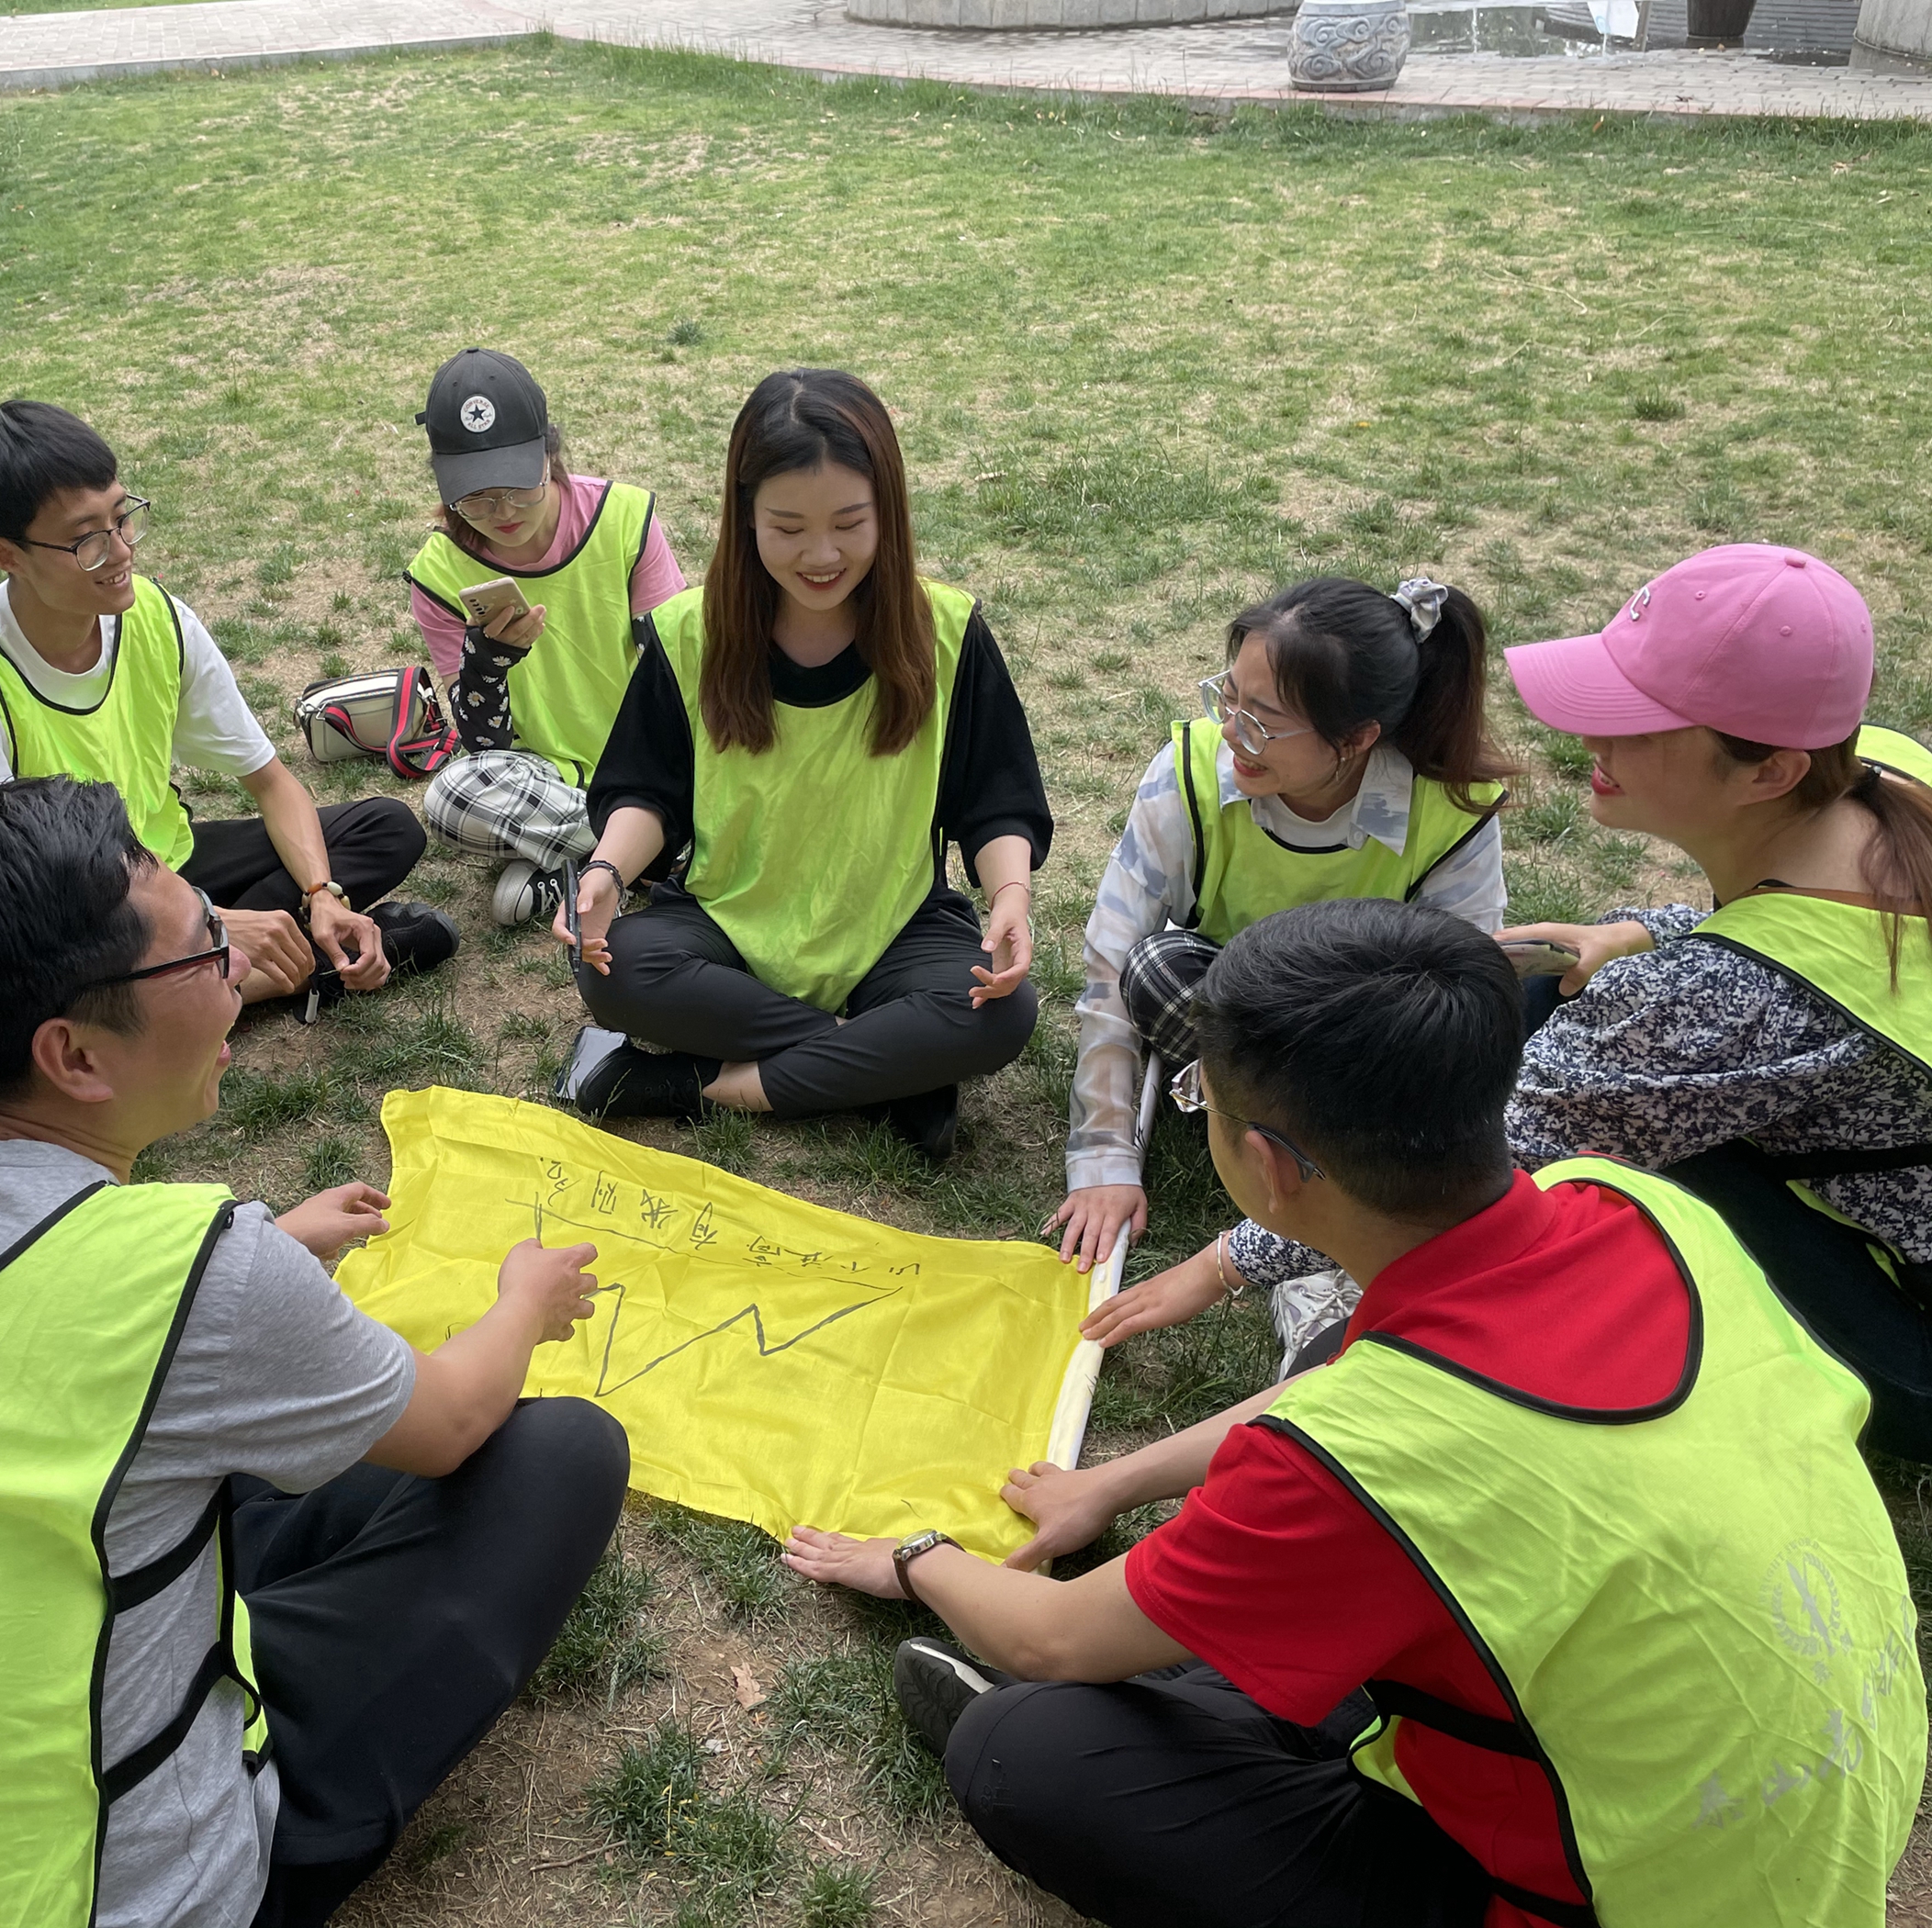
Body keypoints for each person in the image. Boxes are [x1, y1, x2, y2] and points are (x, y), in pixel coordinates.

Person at [784, 898, 1926, 1928]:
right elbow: (1346, 1389)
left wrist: (919, 1555)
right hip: (1791, 1817)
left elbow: (1050, 1636)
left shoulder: (1360, 1459)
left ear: (1272, 1167)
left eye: (1204, 1104)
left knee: (1020, 1749)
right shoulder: (1620, 1201)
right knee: (1299, 1549)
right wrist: (1110, 1484)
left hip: (1600, 1894)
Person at [0, 776, 628, 1928]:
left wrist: (273, 1256)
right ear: (74, 1056)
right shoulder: (192, 1267)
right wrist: (523, 1302)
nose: (239, 975)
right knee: (561, 1451)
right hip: (114, 1896)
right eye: (202, 957)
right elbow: (451, 1424)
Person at [1106, 546, 1932, 1459]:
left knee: (1513, 1211)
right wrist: (1649, 928)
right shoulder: (1883, 773)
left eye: (1639, 726)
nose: (1593, 742)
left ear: (1769, 771)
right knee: (1552, 997)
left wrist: (1222, 1265)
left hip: (1901, 1331)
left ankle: (1353, 1347)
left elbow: (1486, 1160)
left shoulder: (1725, 1004)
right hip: (1851, 1189)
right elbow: (1793, 922)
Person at [552, 369, 1050, 1163]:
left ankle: (689, 1086)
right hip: (728, 923)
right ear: (744, 516)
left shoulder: (947, 631)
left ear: (888, 511)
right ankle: (891, 1072)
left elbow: (997, 801)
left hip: (894, 928)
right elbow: (646, 791)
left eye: (851, 523)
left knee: (1000, 1010)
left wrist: (1011, 896)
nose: (822, 555)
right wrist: (607, 870)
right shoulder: (688, 634)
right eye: (787, 528)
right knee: (613, 970)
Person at [0, 398, 455, 1013]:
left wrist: (321, 894)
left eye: (123, 517)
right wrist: (210, 923)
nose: (120, 552)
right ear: (8, 554)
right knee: (30, 991)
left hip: (164, 867)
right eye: (86, 540)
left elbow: (271, 781)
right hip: (62, 913)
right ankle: (274, 974)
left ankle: (221, 980)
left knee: (385, 830)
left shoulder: (155, 616)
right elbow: (5, 899)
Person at [1048, 575, 1513, 1272]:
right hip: (1232, 1016)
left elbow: (1462, 991)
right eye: (1228, 696)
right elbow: (1111, 971)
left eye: (1262, 719)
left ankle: (1267, 1133)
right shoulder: (1189, 774)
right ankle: (1320, 1154)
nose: (1230, 731)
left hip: (1360, 1039)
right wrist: (1104, 1159)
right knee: (1154, 969)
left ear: (1358, 738)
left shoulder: (1449, 812)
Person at [404, 347, 688, 925]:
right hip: (542, 776)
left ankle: (578, 869)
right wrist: (486, 666)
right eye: (475, 494)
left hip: (643, 758)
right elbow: (488, 749)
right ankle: (653, 855)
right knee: (452, 796)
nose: (501, 510)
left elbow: (684, 668)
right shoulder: (438, 572)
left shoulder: (624, 518)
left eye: (517, 485)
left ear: (549, 454)